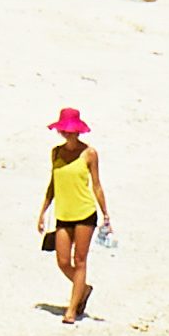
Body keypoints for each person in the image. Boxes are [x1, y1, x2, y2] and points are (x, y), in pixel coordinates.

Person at [37, 109, 112, 322]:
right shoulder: (56, 153)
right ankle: (83, 289)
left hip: (85, 213)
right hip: (63, 213)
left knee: (80, 261)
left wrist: (106, 213)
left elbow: (96, 185)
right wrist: (43, 210)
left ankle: (71, 309)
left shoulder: (89, 154)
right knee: (62, 261)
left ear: (78, 132)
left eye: (71, 131)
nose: (68, 135)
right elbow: (53, 183)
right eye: (64, 131)